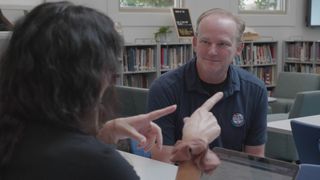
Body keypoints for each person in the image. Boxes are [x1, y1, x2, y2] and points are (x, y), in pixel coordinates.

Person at [0, 2, 223, 180]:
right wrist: (194, 147)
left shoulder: (15, 136)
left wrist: (105, 134)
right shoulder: (97, 163)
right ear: (94, 78)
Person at [148, 8, 268, 163]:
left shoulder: (255, 90)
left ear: (239, 48)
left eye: (222, 44)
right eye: (205, 42)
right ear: (195, 43)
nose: (212, 51)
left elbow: (255, 161)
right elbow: (162, 164)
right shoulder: (164, 89)